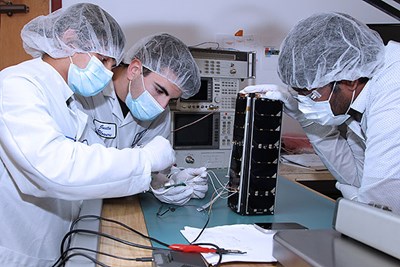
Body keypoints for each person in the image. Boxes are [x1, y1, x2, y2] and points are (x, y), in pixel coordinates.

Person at [0, 3, 176, 266]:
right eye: (103, 60)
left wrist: (163, 180)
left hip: (54, 243)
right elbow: (54, 169)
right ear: (70, 39)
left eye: (111, 64)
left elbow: (92, 160)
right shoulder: (16, 85)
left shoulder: (68, 98)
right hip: (18, 251)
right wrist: (145, 159)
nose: (106, 73)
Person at [241, 12, 400, 214]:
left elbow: (381, 209)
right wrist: (306, 119)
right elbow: (357, 178)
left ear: (349, 80)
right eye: (298, 94)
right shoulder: (357, 99)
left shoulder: (393, 95)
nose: (305, 103)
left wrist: (352, 195)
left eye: (309, 93)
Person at [75, 33, 208, 206]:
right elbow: (81, 167)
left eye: (172, 100)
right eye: (160, 90)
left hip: (123, 207)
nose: (162, 105)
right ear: (135, 69)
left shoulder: (160, 115)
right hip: (79, 206)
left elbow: (154, 167)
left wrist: (171, 180)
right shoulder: (87, 93)